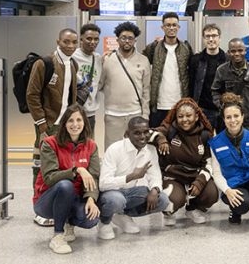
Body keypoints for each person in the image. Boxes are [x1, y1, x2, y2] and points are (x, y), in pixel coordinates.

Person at [27, 28, 79, 226]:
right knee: (41, 167)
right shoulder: (45, 63)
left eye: (74, 42)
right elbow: (32, 95)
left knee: (60, 168)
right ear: (58, 42)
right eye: (66, 42)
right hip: (47, 125)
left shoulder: (72, 64)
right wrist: (42, 125)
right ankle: (39, 209)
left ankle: (56, 206)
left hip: (64, 126)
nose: (70, 46)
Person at [32, 104, 100, 254]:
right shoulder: (50, 143)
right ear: (64, 123)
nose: (75, 124)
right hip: (47, 201)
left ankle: (69, 222)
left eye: (79, 120)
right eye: (70, 120)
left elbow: (94, 176)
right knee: (65, 185)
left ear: (84, 122)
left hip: (74, 199)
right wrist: (77, 170)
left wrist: (90, 198)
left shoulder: (91, 146)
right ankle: (57, 236)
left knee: (91, 219)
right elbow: (50, 178)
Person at [97, 117, 170, 239]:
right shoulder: (114, 149)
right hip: (111, 193)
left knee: (162, 200)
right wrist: (131, 177)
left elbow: (155, 176)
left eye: (146, 132)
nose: (142, 136)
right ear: (127, 134)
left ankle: (121, 216)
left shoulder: (150, 150)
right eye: (137, 133)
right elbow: (103, 184)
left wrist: (155, 189)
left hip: (131, 193)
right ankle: (104, 221)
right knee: (117, 200)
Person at [209, 93, 249, 232]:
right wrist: (227, 190)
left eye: (236, 116)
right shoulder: (215, 143)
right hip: (233, 186)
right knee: (243, 205)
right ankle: (235, 210)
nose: (233, 120)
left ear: (242, 116)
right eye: (228, 117)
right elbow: (217, 174)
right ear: (224, 119)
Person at [152, 98, 219, 226]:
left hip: (195, 175)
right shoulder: (170, 130)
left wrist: (199, 182)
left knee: (212, 194)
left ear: (196, 117)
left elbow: (209, 163)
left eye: (189, 115)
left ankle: (193, 209)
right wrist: (161, 139)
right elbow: (148, 133)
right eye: (180, 116)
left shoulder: (205, 135)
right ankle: (169, 213)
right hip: (173, 176)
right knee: (173, 199)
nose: (184, 119)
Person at [99, 22, 151, 149]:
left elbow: (146, 90)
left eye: (130, 38)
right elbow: (99, 84)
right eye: (123, 38)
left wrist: (145, 115)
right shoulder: (107, 59)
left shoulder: (143, 60)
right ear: (117, 40)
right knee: (112, 150)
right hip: (113, 115)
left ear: (135, 41)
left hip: (135, 114)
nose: (127, 41)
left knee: (135, 149)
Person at [211, 38, 249, 138]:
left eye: (240, 50)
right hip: (231, 123)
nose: (237, 54)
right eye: (233, 51)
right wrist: (223, 107)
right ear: (228, 53)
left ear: (245, 51)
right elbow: (215, 92)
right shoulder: (221, 71)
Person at [143, 12, 194, 128]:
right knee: (157, 136)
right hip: (158, 105)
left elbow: (194, 69)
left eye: (174, 25)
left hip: (180, 105)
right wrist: (115, 53)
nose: (171, 28)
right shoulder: (153, 47)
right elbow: (138, 60)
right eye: (168, 25)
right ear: (162, 27)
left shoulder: (186, 48)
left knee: (178, 138)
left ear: (178, 27)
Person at [189, 23, 227, 131]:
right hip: (202, 110)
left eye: (214, 36)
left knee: (224, 139)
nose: (211, 39)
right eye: (207, 36)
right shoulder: (196, 60)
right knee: (203, 139)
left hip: (223, 109)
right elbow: (191, 85)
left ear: (219, 38)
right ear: (203, 39)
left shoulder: (227, 60)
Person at [73, 23, 102, 134]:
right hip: (72, 111)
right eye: (89, 38)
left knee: (88, 142)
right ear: (81, 39)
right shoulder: (73, 56)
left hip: (90, 113)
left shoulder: (98, 58)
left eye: (96, 39)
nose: (93, 42)